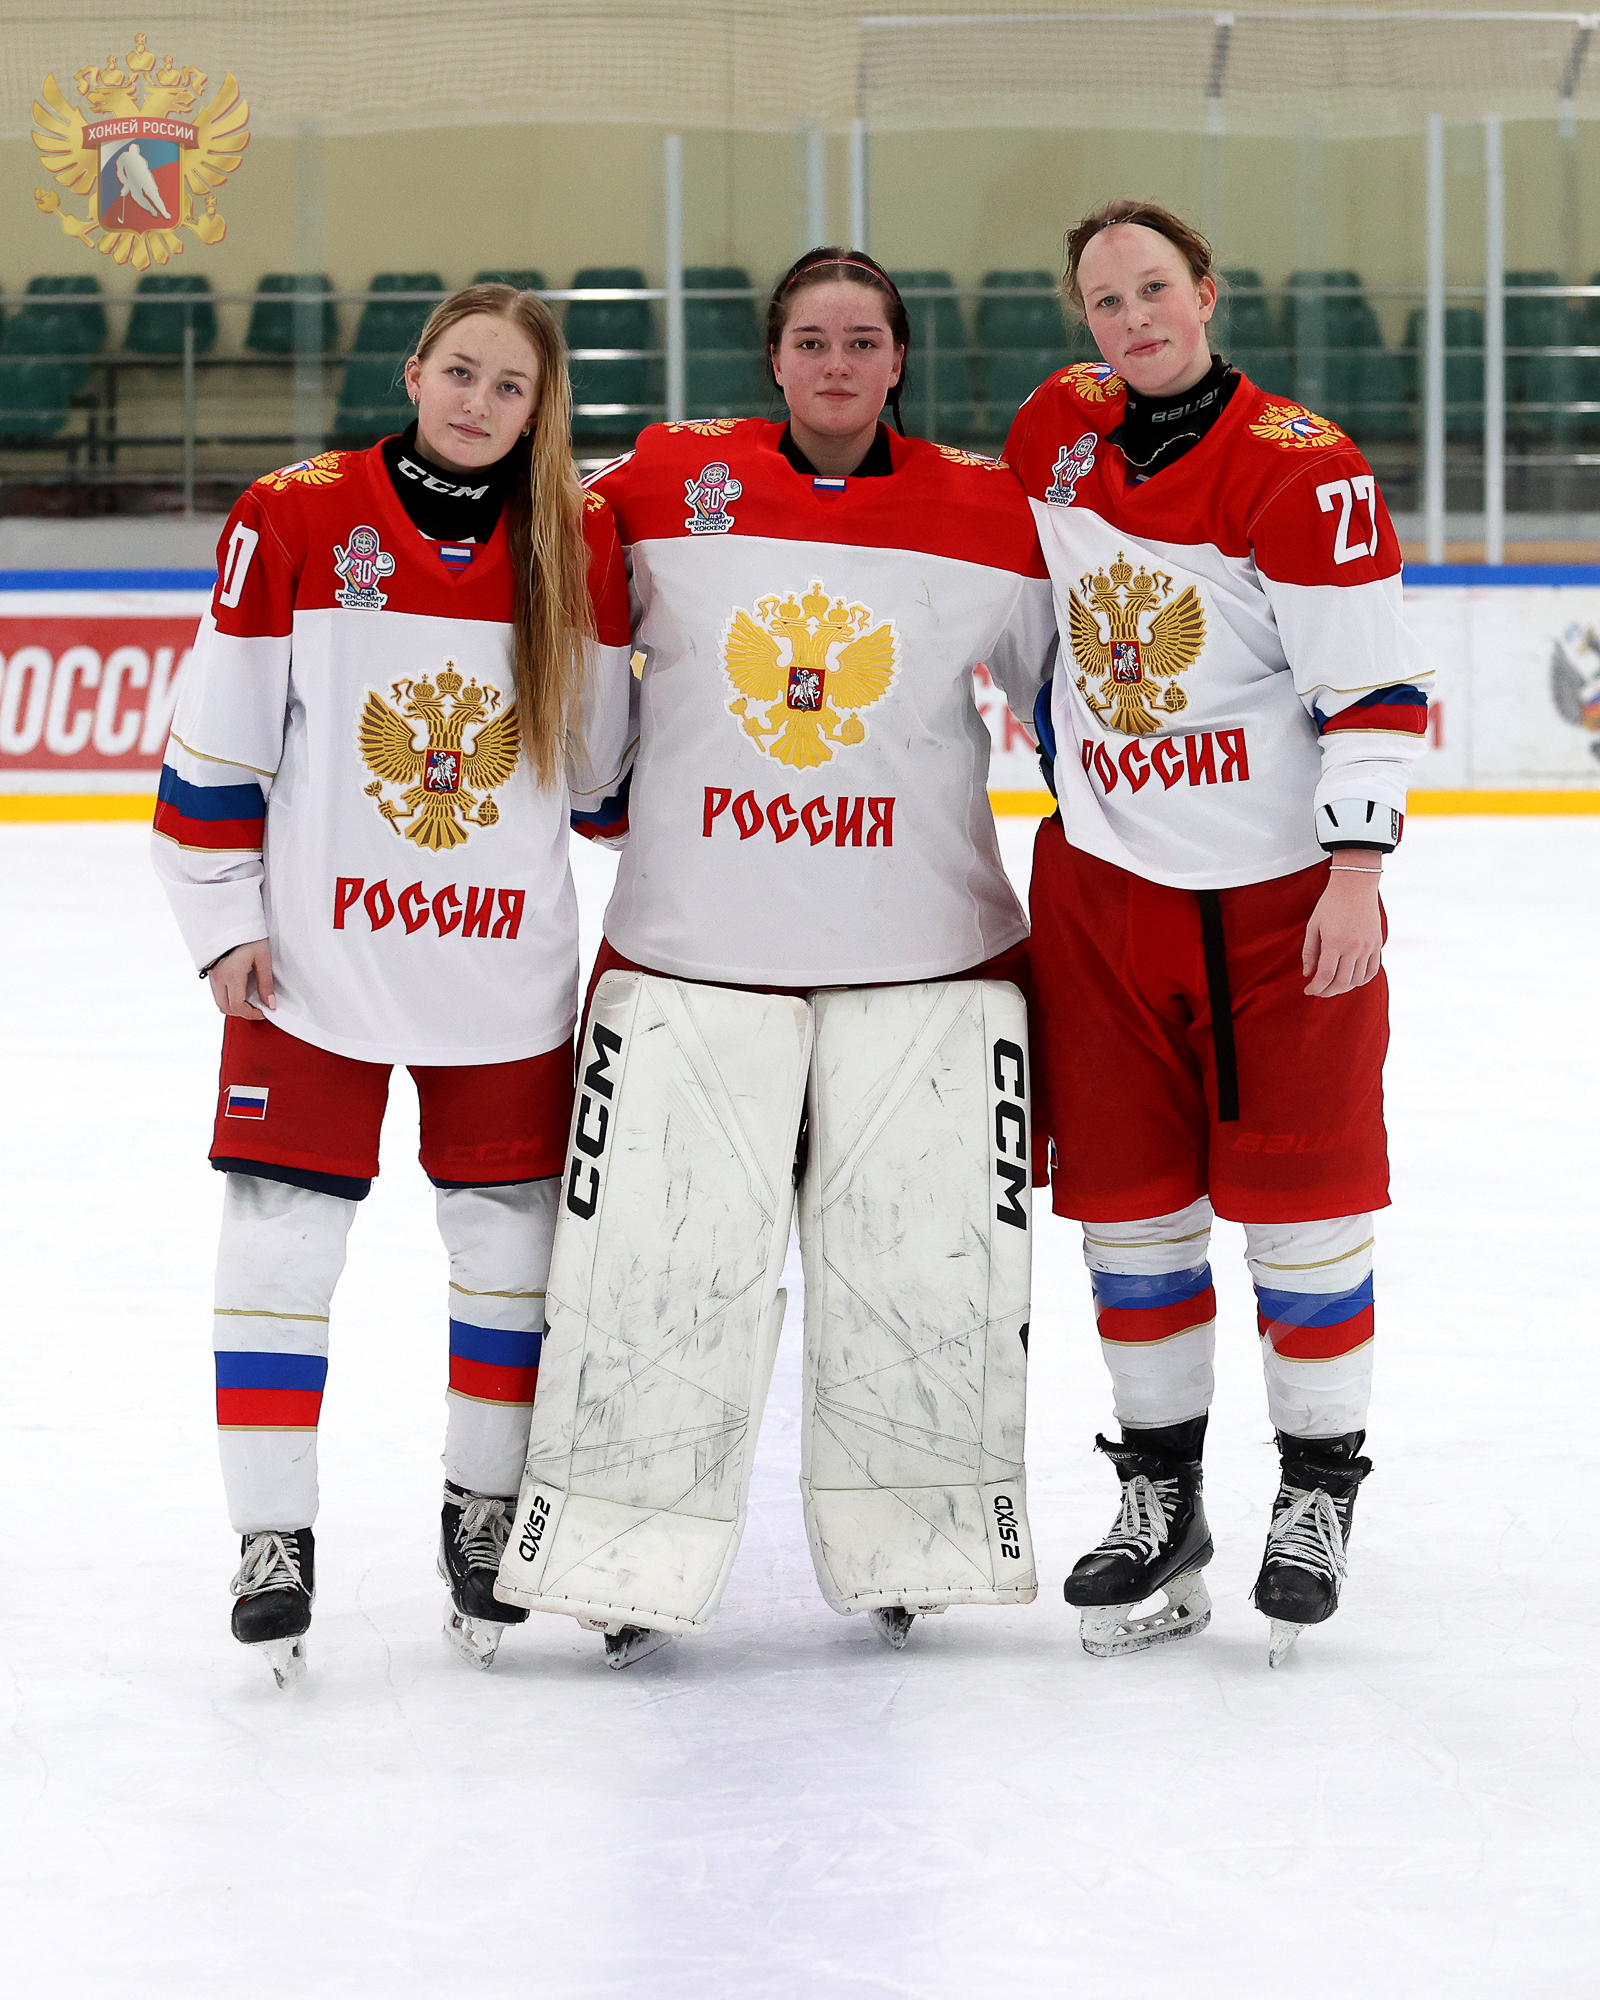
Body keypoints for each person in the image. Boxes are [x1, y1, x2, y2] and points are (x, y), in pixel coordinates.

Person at [493, 248, 1059, 1666]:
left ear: (900, 361)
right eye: (812, 340)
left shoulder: (988, 507)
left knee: (923, 1281)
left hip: (927, 959)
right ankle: (617, 1557)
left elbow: (1075, 699)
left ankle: (918, 1545)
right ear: (774, 357)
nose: (837, 363)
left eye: (863, 340)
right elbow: (568, 617)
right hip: (695, 952)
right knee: (651, 1274)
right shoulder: (661, 480)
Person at [153, 283, 631, 1684]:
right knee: (278, 1248)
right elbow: (217, 737)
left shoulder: (576, 538)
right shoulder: (294, 515)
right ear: (415, 372)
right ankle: (272, 1539)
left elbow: (597, 782)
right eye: (461, 372)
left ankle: (484, 1518)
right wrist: (219, 919)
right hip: (316, 967)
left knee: (509, 1256)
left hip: (506, 976)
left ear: (540, 411)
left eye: (512, 386)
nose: (480, 402)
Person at [1003, 201, 1434, 1666]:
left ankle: (1315, 1490)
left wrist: (1356, 871)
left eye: (1154, 290)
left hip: (1279, 904)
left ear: (1206, 292)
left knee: (1306, 1213)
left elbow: (1372, 688)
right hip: (1104, 892)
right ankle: (1162, 1494)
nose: (1133, 319)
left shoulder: (1302, 468)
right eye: (1105, 300)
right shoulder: (1056, 431)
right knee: (1130, 1213)